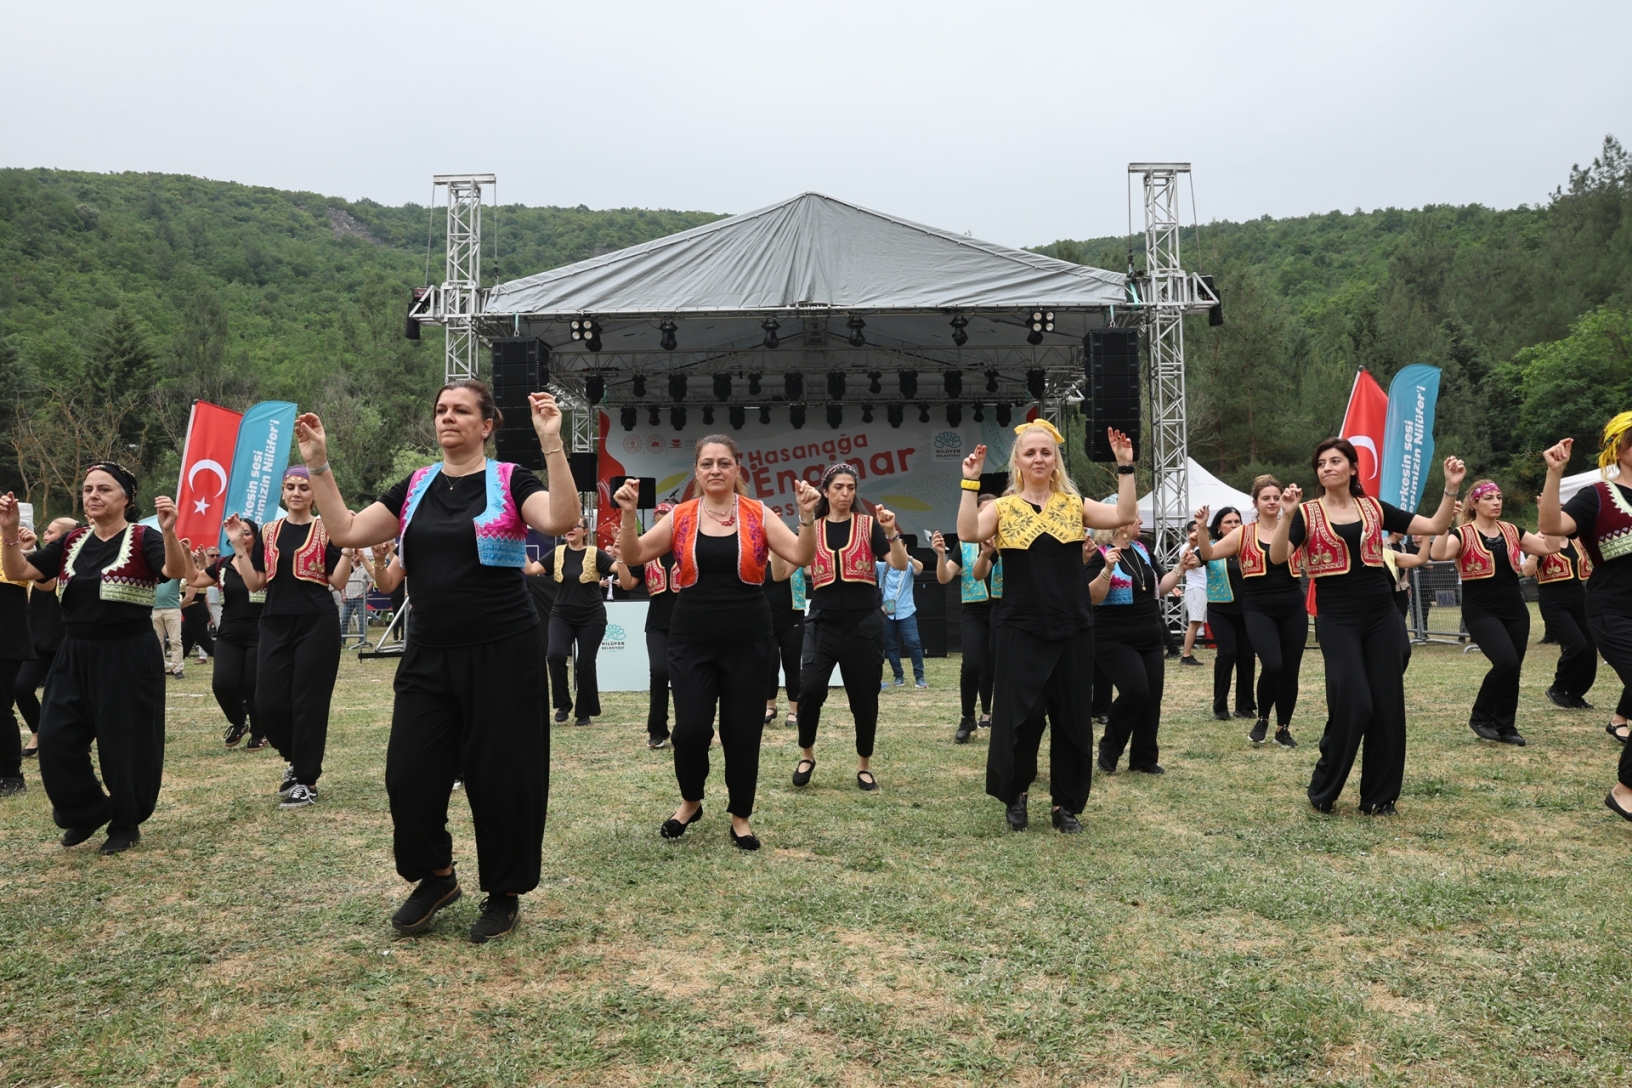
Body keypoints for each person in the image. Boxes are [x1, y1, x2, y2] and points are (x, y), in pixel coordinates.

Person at [294, 381, 578, 941]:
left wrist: (552, 442)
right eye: (441, 409)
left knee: (503, 779)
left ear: (486, 424)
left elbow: (560, 520)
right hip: (428, 654)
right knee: (409, 774)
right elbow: (347, 529)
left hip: (504, 653)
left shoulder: (510, 479)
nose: (448, 417)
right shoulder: (415, 485)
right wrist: (319, 464)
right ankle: (437, 875)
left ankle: (504, 892)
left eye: (461, 410)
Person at [614, 437, 820, 850]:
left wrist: (807, 517)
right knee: (690, 730)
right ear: (696, 470)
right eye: (707, 463)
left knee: (742, 732)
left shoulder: (758, 512)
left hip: (749, 639)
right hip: (691, 638)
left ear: (737, 469)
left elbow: (801, 555)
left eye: (724, 463)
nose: (715, 470)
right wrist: (628, 514)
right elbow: (634, 554)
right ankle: (691, 801)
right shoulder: (681, 515)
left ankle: (740, 816)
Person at [958, 422, 1138, 834]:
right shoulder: (1003, 509)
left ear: (1055, 459)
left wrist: (1125, 466)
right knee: (1024, 717)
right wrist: (970, 482)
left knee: (1072, 718)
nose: (1038, 458)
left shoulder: (1074, 505)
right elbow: (968, 532)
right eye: (1030, 452)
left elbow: (1124, 515)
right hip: (1020, 627)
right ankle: (1017, 794)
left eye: (1045, 452)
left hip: (1072, 626)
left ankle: (1064, 804)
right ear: (1018, 462)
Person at [1270, 439, 1464, 815]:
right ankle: (1324, 788)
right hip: (1336, 617)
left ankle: (1379, 798)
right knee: (1354, 701)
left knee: (1387, 704)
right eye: (1321, 463)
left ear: (1353, 468)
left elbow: (1436, 525)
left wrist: (1450, 487)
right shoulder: (1306, 513)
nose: (1327, 467)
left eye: (1335, 461)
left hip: (1381, 613)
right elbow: (1279, 556)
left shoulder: (1374, 507)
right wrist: (1286, 516)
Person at [0, 464, 188, 853]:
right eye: (88, 489)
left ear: (126, 498)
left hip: (128, 652)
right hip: (74, 652)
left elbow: (173, 570)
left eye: (104, 489)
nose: (93, 495)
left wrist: (169, 532)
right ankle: (86, 810)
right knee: (55, 739)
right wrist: (8, 533)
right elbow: (21, 569)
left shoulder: (144, 537)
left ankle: (126, 821)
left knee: (125, 743)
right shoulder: (72, 540)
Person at [230, 466, 353, 810]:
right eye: (290, 487)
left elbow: (338, 582)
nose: (296, 492)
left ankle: (306, 780)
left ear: (314, 494)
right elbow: (255, 583)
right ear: (282, 492)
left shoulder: (327, 528)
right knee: (267, 701)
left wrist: (346, 549)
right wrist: (239, 546)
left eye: (303, 487)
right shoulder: (269, 531)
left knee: (308, 702)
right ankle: (296, 760)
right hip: (274, 622)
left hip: (317, 623)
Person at [792, 463, 910, 792]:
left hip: (863, 625)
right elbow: (791, 563)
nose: (845, 493)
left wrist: (891, 531)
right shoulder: (812, 526)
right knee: (810, 690)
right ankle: (806, 755)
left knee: (864, 698)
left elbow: (900, 563)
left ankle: (864, 765)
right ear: (825, 491)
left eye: (851, 487)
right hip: (823, 622)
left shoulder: (869, 525)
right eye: (838, 487)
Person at [1538, 418, 1632, 821]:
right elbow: (1551, 526)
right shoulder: (1598, 495)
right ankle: (1626, 790)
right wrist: (1554, 473)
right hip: (1615, 612)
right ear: (1619, 447)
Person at [1428, 481, 1558, 746]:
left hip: (1515, 609)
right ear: (1474, 503)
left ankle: (1506, 726)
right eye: (1488, 498)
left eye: (1499, 497)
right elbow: (1438, 553)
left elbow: (1549, 547)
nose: (1496, 502)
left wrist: (1548, 516)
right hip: (1480, 609)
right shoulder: (1462, 534)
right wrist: (1444, 525)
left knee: (1513, 669)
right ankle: (1481, 717)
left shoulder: (1512, 530)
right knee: (1506, 663)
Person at [1197, 480, 1306, 747]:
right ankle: (1263, 718)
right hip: (1258, 606)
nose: (1272, 501)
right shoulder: (1243, 533)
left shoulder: (1294, 529)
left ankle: (1283, 728)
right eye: (1266, 497)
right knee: (1273, 665)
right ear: (1255, 503)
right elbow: (1209, 553)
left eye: (1276, 497)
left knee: (1290, 670)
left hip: (1292, 605)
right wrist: (1201, 528)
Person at [1087, 515, 1188, 776]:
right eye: (1135, 517)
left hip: (1149, 635)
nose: (1140, 521)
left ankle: (1144, 759)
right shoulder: (1100, 554)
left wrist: (1180, 568)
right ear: (1120, 523)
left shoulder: (1142, 550)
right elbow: (1093, 596)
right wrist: (1107, 570)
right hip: (1113, 637)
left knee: (1152, 697)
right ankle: (1109, 748)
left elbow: (1159, 588)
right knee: (1135, 691)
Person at [182, 522, 266, 749]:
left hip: (260, 633)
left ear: (256, 538)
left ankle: (259, 733)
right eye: (238, 533)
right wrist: (188, 556)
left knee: (252, 684)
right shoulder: (223, 565)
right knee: (222, 683)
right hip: (229, 634)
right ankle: (239, 722)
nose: (241, 536)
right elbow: (194, 580)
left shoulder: (266, 563)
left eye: (246, 533)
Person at [540, 521, 618, 726]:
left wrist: (621, 548)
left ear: (585, 531)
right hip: (562, 615)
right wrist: (515, 544)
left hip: (591, 617)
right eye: (568, 525)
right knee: (555, 655)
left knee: (585, 663)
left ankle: (584, 711)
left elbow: (617, 567)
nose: (571, 528)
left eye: (576, 525)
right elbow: (531, 569)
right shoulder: (557, 552)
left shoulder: (595, 553)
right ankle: (563, 704)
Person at [933, 521, 1001, 743]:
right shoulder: (965, 544)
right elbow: (944, 577)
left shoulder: (1011, 538)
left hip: (1004, 607)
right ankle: (967, 717)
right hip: (974, 611)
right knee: (972, 665)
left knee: (999, 665)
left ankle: (1000, 716)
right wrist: (940, 555)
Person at [1524, 537, 1608, 715]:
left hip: (1579, 596)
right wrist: (1534, 553)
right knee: (1577, 645)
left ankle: (1576, 694)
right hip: (1553, 600)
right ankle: (1558, 687)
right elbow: (1527, 571)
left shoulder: (1577, 540)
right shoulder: (1539, 541)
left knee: (1590, 648)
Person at [15, 517, 76, 760]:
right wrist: (26, 548)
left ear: (66, 538)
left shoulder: (73, 563)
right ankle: (38, 732)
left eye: (51, 532)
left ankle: (75, 738)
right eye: (46, 532)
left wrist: (30, 551)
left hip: (67, 641)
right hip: (39, 641)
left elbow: (48, 583)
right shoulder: (40, 558)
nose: (46, 536)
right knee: (21, 688)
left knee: (67, 697)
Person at [1202, 507, 1255, 722]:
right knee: (1227, 653)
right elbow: (1197, 559)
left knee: (1247, 656)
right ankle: (1220, 705)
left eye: (1237, 521)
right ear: (1219, 527)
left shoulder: (1249, 548)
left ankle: (1245, 706)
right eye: (1228, 522)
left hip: (1248, 610)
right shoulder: (1212, 547)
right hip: (1220, 610)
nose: (1233, 525)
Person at [0, 527, 35, 797]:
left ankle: (10, 775)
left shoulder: (13, 541)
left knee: (0, 707)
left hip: (5, 637)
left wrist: (27, 549)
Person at [763, 548, 806, 731]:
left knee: (792, 666)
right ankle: (770, 706)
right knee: (770, 666)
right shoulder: (758, 556)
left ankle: (794, 710)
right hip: (765, 622)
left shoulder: (794, 555)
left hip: (793, 621)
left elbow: (811, 565)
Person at [880, 551, 927, 691]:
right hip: (888, 611)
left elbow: (920, 568)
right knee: (891, 645)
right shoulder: (882, 566)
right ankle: (898, 677)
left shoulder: (908, 565)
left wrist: (908, 557)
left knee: (913, 642)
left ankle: (920, 677)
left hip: (906, 611)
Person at [1178, 519, 1208, 667]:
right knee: (1195, 622)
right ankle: (1186, 655)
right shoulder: (1186, 547)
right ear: (1189, 533)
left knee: (1200, 622)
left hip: (1204, 588)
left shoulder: (1205, 546)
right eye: (1196, 530)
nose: (1200, 532)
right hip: (1196, 588)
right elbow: (1186, 563)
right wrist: (1193, 544)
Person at [151, 574, 184, 679]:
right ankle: (160, 667)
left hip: (171, 608)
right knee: (158, 641)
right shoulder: (154, 571)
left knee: (175, 640)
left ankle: (177, 669)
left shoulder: (174, 572)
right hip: (156, 609)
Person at [339, 550, 373, 647]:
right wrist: (343, 594)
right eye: (353, 555)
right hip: (348, 598)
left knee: (362, 620)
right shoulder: (346, 567)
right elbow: (341, 582)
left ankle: (362, 641)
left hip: (360, 598)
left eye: (357, 555)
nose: (355, 557)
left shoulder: (365, 568)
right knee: (344, 619)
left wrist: (365, 593)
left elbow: (371, 582)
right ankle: (342, 641)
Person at [180, 578, 215, 664]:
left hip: (195, 613)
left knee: (204, 640)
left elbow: (189, 598)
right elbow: (205, 597)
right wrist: (209, 613)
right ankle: (177, 664)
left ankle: (224, 656)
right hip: (193, 614)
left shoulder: (193, 580)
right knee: (185, 638)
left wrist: (176, 608)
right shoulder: (195, 580)